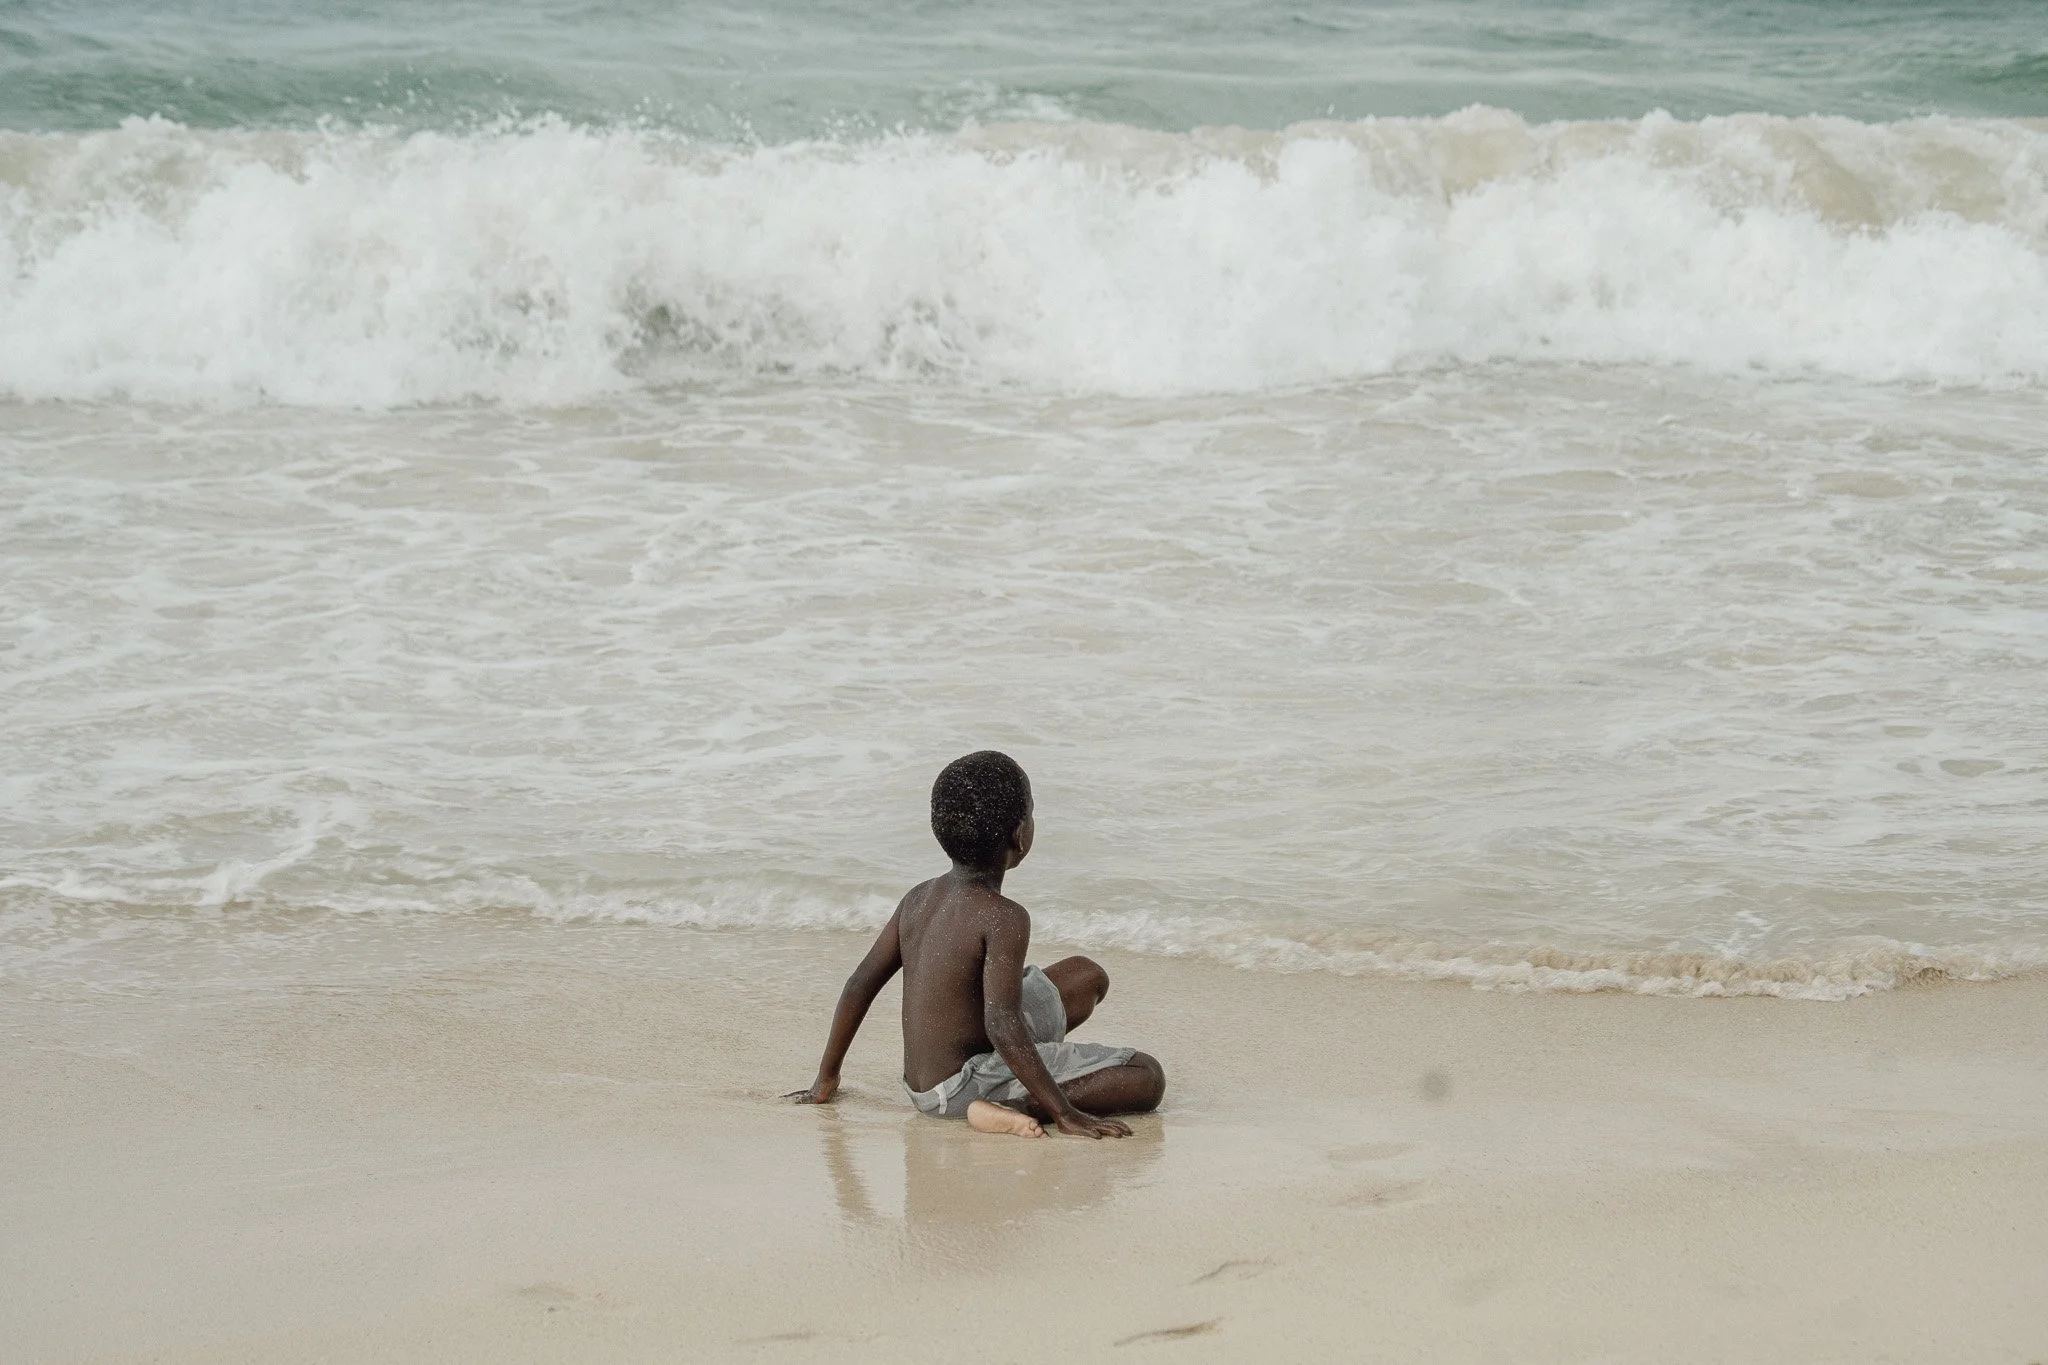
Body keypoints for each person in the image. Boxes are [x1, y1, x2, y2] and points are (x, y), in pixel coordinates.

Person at [785, 751, 1166, 1138]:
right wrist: (1064, 1111)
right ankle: (1011, 1106)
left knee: (1086, 977)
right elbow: (1001, 1022)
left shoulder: (918, 898)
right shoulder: (1005, 916)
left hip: (926, 1080)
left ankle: (1015, 1086)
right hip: (964, 1085)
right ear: (1020, 834)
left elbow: (859, 984)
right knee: (1146, 1075)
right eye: (1032, 812)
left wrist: (826, 1078)